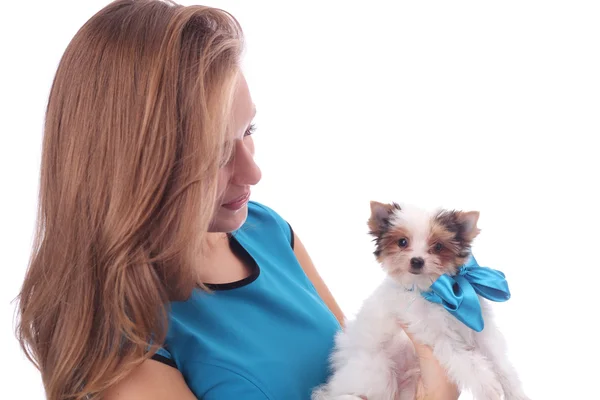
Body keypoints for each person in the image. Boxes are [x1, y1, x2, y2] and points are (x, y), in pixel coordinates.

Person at [15, 1, 461, 399]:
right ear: (129, 166)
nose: (253, 173)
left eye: (249, 130)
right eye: (213, 153)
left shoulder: (268, 232)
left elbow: (359, 375)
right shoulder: (120, 335)